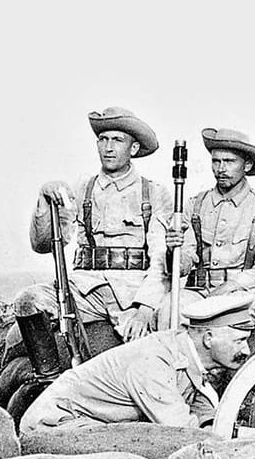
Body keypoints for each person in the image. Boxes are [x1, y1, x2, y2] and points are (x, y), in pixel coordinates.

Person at [10, 107, 174, 375]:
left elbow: (159, 260)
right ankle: (48, 379)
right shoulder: (83, 188)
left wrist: (145, 309)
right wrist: (44, 198)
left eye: (117, 140)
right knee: (29, 300)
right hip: (84, 290)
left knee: (146, 362)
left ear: (133, 148)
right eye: (103, 139)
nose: (108, 148)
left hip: (130, 294)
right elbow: (44, 244)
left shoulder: (153, 193)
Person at [18, 292, 254, 430]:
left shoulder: (184, 352)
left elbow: (204, 414)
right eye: (239, 340)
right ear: (209, 339)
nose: (246, 349)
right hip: (56, 424)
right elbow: (182, 431)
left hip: (90, 424)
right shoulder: (154, 361)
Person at [173, 127, 255, 308]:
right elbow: (184, 258)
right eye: (216, 161)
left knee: (221, 326)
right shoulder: (196, 204)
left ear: (246, 165)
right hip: (198, 291)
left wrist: (233, 285)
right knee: (169, 311)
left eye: (229, 161)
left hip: (245, 293)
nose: (221, 169)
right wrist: (173, 252)